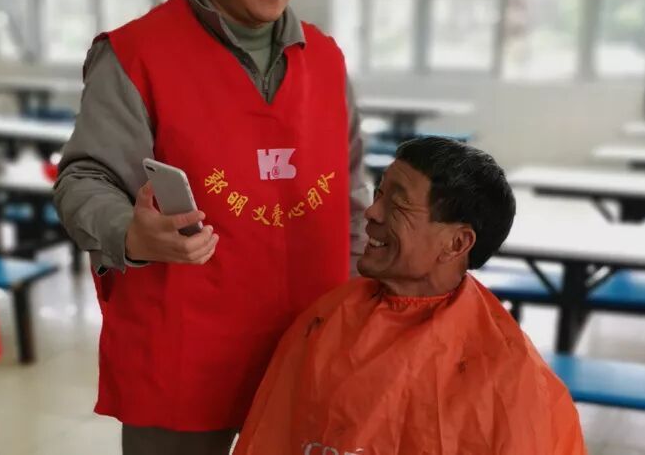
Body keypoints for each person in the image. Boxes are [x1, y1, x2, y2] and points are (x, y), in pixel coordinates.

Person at [54, 0, 368, 455]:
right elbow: (82, 180)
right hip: (185, 358)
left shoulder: (326, 60)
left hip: (307, 348)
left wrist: (360, 313)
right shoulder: (137, 56)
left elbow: (352, 198)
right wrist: (129, 233)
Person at [234, 137, 587, 455]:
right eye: (379, 194)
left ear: (457, 243)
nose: (371, 212)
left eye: (398, 204)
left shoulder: (512, 380)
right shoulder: (325, 319)